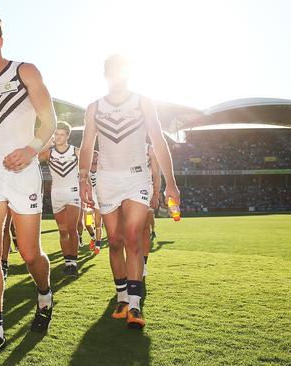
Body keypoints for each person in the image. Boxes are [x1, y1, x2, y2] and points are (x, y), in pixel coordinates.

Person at [0, 14, 57, 358]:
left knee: (30, 253)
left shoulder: (25, 72)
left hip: (24, 170)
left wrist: (31, 149)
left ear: (0, 41)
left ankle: (45, 294)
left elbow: (50, 119)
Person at [79, 54, 180, 329]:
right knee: (114, 240)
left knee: (133, 236)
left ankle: (134, 305)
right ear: (106, 75)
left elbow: (158, 141)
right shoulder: (94, 107)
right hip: (107, 179)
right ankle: (121, 296)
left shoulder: (143, 102)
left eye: (121, 72)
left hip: (137, 178)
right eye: (112, 72)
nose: (117, 77)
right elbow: (87, 145)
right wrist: (83, 177)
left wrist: (171, 182)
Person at [39, 122, 81, 276]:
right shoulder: (49, 153)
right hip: (56, 193)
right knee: (62, 231)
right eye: (56, 134)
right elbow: (35, 157)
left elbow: (85, 171)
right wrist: (48, 142)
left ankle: (74, 263)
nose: (58, 137)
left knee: (71, 228)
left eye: (61, 135)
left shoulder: (76, 151)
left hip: (73, 193)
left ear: (68, 136)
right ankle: (67, 262)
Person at [143, 143, 161, 277]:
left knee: (143, 229)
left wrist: (155, 193)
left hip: (144, 190)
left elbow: (156, 173)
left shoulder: (149, 149)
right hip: (121, 190)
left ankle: (143, 264)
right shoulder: (117, 144)